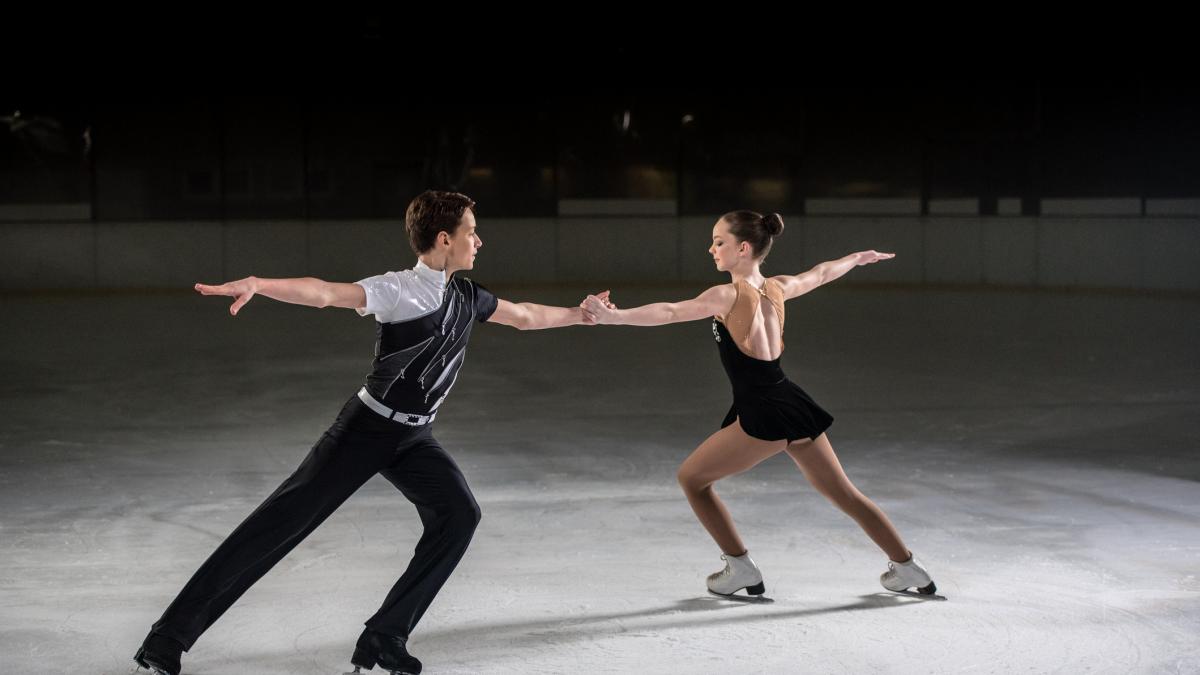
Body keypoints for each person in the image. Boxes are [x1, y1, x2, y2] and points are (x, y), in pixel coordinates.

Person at [134, 190, 613, 675]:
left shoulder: (470, 296)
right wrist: (260, 282)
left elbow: (527, 317)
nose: (479, 241)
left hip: (415, 438)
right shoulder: (399, 290)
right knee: (277, 526)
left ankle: (384, 637)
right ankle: (165, 640)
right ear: (445, 239)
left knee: (459, 515)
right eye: (471, 232)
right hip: (364, 430)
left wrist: (580, 314)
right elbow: (324, 292)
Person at [582, 210, 936, 600]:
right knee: (845, 494)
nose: (712, 248)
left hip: (764, 412)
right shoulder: (778, 287)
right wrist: (855, 258)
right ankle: (907, 567)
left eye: (719, 242)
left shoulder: (726, 295)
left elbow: (669, 312)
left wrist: (614, 318)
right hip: (790, 399)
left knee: (692, 480)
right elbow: (819, 273)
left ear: (743, 248)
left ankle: (740, 566)